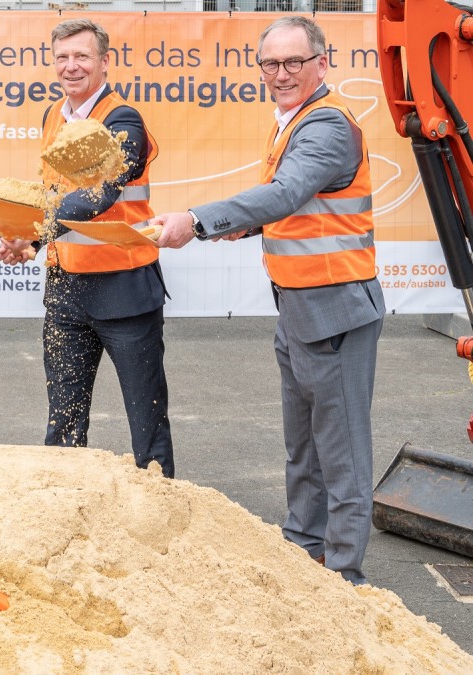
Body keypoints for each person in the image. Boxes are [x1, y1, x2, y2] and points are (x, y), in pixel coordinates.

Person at [155, 16, 383, 584]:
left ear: (321, 64)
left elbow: (285, 191)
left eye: (293, 63)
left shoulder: (325, 125)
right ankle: (304, 548)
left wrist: (199, 221)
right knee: (303, 448)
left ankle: (346, 577)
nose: (280, 74)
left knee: (342, 452)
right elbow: (298, 206)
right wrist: (247, 228)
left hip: (336, 310)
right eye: (271, 64)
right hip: (301, 310)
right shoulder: (292, 121)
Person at [0, 19, 174, 477]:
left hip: (124, 291)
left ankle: (163, 522)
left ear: (104, 62)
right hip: (65, 293)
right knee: (63, 422)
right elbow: (55, 194)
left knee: (146, 422)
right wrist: (29, 242)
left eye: (82, 56)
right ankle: (63, 507)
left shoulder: (123, 120)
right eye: (62, 57)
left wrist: (35, 230)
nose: (70, 67)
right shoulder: (53, 116)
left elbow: (101, 193)